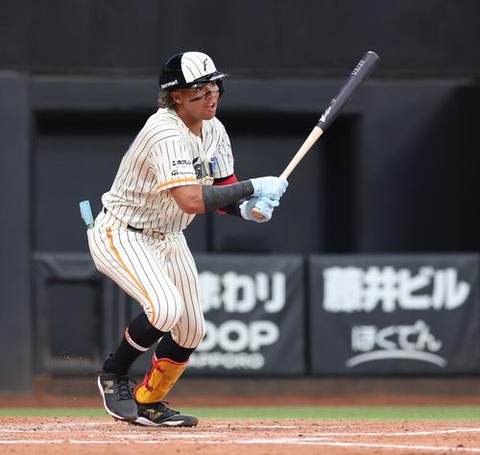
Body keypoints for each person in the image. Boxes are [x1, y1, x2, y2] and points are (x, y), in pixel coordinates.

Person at [85, 51, 288, 427]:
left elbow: (222, 189)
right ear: (176, 96)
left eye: (215, 86)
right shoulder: (164, 131)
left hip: (170, 236)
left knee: (192, 329)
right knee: (164, 309)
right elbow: (192, 200)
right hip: (123, 232)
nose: (212, 95)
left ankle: (148, 401)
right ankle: (113, 374)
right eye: (200, 90)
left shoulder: (214, 129)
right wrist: (254, 186)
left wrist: (248, 209)